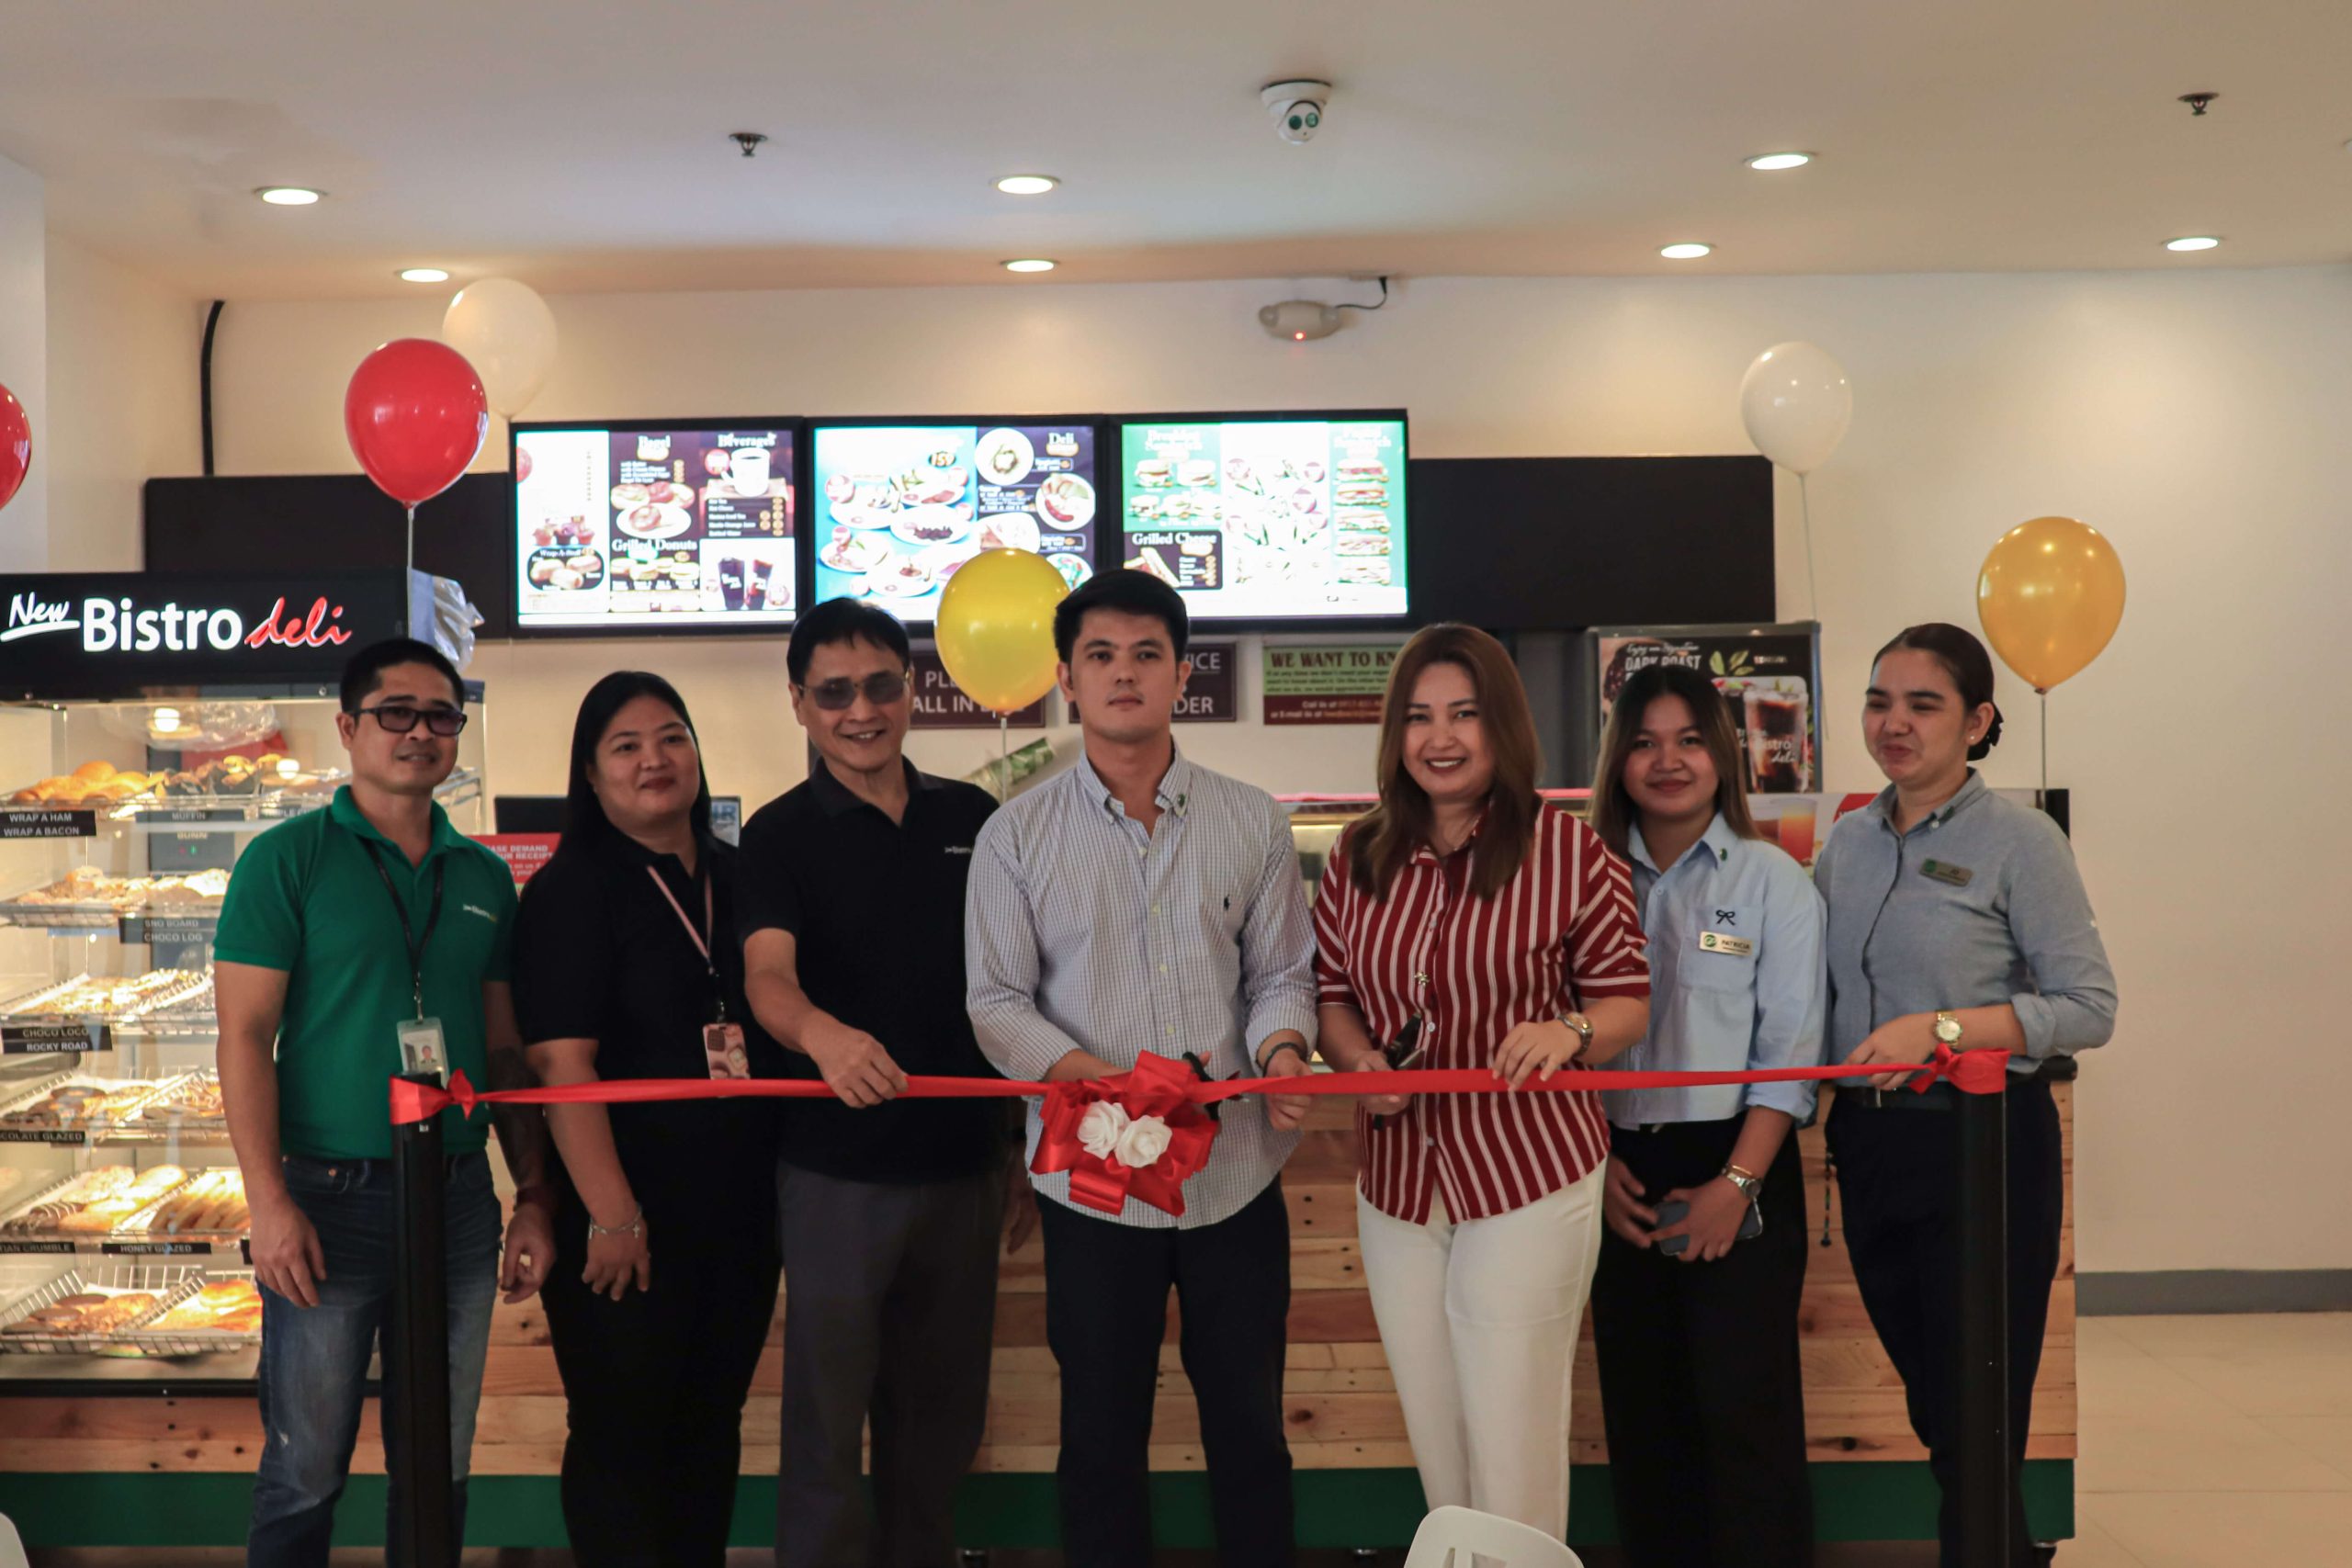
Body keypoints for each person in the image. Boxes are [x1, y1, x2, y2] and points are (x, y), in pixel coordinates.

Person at [967, 570, 1317, 1568]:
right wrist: (1105, 1087)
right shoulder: (1015, 835)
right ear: (1067, 680)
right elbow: (995, 1003)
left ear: (1182, 675)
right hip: (1095, 1181)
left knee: (1250, 1426)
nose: (1124, 674)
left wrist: (1283, 1051)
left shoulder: (1251, 820)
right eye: (1101, 656)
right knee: (1101, 1433)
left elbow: (1281, 975)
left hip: (1232, 1173)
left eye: (1147, 654)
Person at [1307, 623, 1650, 1540]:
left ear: (1503, 725)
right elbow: (1331, 995)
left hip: (1527, 1172)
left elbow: (1627, 1001)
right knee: (1440, 1440)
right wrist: (1357, 1063)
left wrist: (1568, 1029)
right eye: (1418, 717)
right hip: (1397, 1183)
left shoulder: (1569, 853)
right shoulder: (1357, 853)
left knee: (1511, 1433)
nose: (1440, 737)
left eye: (1463, 714)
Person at [215, 637, 553, 1568]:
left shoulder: (482, 874)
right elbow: (243, 1037)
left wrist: (533, 1190)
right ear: (347, 726)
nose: (419, 732)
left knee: (438, 1461)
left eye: (440, 715)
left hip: (456, 1197)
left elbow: (503, 1050)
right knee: (305, 1467)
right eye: (395, 712)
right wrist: (267, 1203)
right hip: (327, 1200)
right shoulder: (285, 859)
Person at [1817, 624, 2117, 1567]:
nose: (1893, 723)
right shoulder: (1846, 842)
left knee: (1978, 1403)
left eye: (1923, 704)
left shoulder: (2020, 841)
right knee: (1938, 1401)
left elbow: (2088, 1007)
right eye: (1878, 701)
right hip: (1869, 1146)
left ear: (1978, 720)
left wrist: (1942, 1029)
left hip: (1982, 1145)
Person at [740, 599, 1025, 1568]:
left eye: (878, 686)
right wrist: (822, 1036)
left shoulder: (973, 818)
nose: (859, 711)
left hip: (965, 1168)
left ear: (910, 691)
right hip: (836, 1176)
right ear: (798, 703)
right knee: (827, 1426)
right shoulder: (777, 836)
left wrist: (1018, 1146)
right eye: (833, 694)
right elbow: (767, 978)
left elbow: (1013, 986)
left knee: (942, 1422)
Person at [512, 671, 785, 1567]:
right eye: (625, 746)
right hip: (624, 1219)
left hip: (738, 1220)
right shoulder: (571, 890)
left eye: (672, 737)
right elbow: (561, 1064)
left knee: (710, 1425)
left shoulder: (741, 879)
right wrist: (612, 1214)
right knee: (621, 1434)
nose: (654, 759)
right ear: (591, 775)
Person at [1585, 663, 1826, 1568]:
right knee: (1644, 1416)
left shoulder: (1772, 881)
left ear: (1721, 753)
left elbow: (1789, 1057)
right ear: (1618, 759)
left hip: (1740, 1158)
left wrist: (1735, 1184)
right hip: (1613, 1167)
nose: (1667, 760)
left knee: (1745, 1414)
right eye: (1644, 742)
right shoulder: (1584, 877)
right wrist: (1596, 1165)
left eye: (1688, 739)